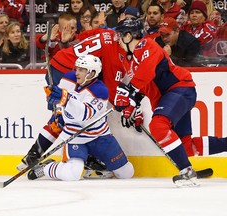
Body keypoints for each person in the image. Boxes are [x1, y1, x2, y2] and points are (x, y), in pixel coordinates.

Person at [113, 18, 199, 187]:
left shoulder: (148, 45)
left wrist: (128, 91)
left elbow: (146, 73)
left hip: (179, 88)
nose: (117, 39)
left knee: (158, 126)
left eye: (119, 35)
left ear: (129, 36)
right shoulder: (128, 59)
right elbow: (143, 85)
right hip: (168, 96)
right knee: (186, 146)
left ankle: (187, 171)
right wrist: (132, 105)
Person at [30, 55, 135, 181]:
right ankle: (48, 167)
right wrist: (58, 111)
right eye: (77, 68)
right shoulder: (69, 78)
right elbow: (59, 102)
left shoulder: (100, 91)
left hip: (99, 136)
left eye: (82, 70)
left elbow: (84, 115)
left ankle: (94, 164)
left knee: (126, 173)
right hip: (75, 137)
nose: (77, 73)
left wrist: (66, 99)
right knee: (71, 175)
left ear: (92, 73)